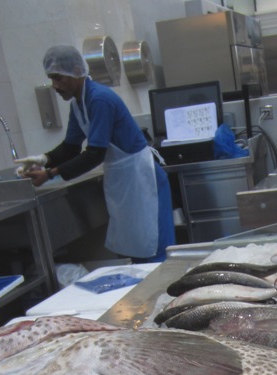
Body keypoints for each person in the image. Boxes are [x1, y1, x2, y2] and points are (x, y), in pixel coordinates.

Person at [16, 45, 175, 262]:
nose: (55, 85)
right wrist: (44, 159)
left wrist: (51, 174)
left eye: (59, 78)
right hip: (125, 182)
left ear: (76, 72)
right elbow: (71, 146)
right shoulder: (78, 105)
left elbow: (95, 154)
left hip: (144, 180)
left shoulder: (99, 99)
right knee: (137, 250)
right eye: (51, 79)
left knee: (155, 250)